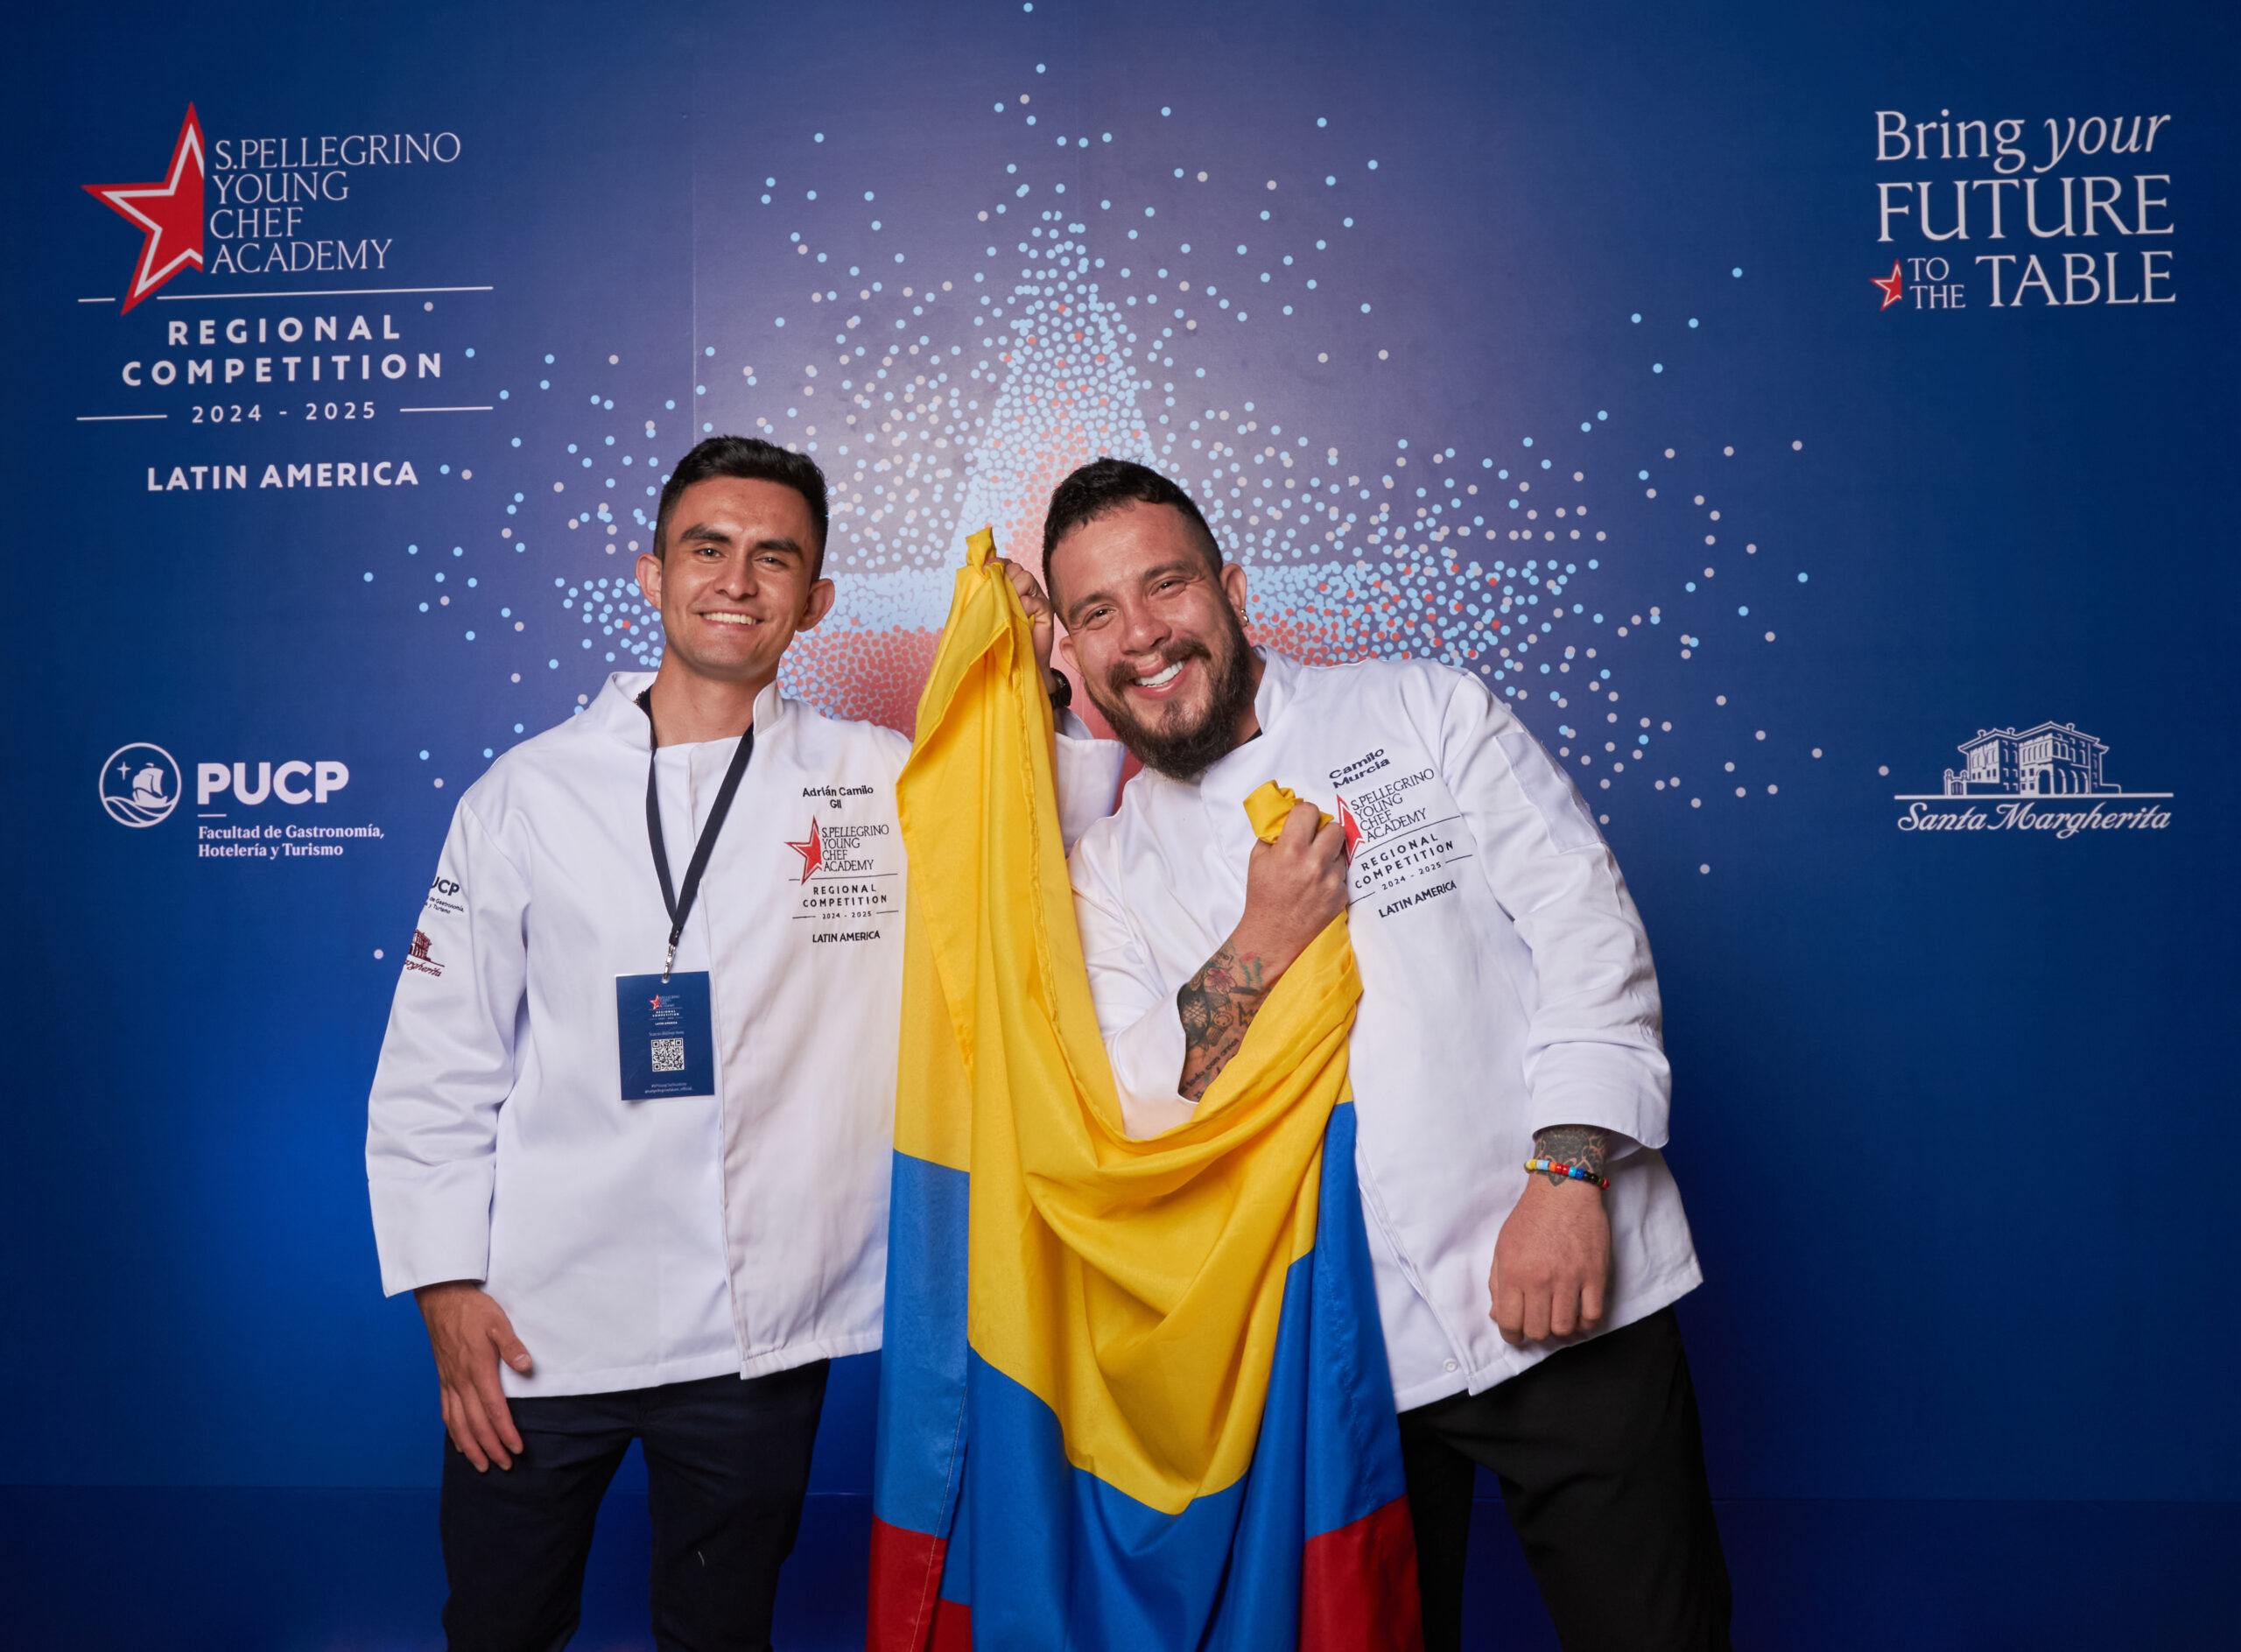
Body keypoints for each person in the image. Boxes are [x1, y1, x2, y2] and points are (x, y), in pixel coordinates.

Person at [366, 436, 1118, 1652]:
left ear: (815, 600)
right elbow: (437, 1061)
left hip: (762, 1329)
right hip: (542, 1319)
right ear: (651, 575)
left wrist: (1037, 680)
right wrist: (445, 1284)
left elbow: (1034, 868)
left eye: (777, 558)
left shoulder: (879, 782)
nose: (738, 579)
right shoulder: (525, 795)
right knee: (499, 1627)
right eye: (707, 549)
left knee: (722, 1633)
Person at [1039, 457, 1732, 1651]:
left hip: (1566, 1280)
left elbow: (1588, 936)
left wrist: (1568, 1179)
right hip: (1329, 1364)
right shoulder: (1106, 873)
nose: (1142, 636)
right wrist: (1263, 939)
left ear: (1232, 586)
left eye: (1166, 587)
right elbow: (1150, 1102)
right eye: (1098, 612)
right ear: (1072, 650)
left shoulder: (1424, 709)